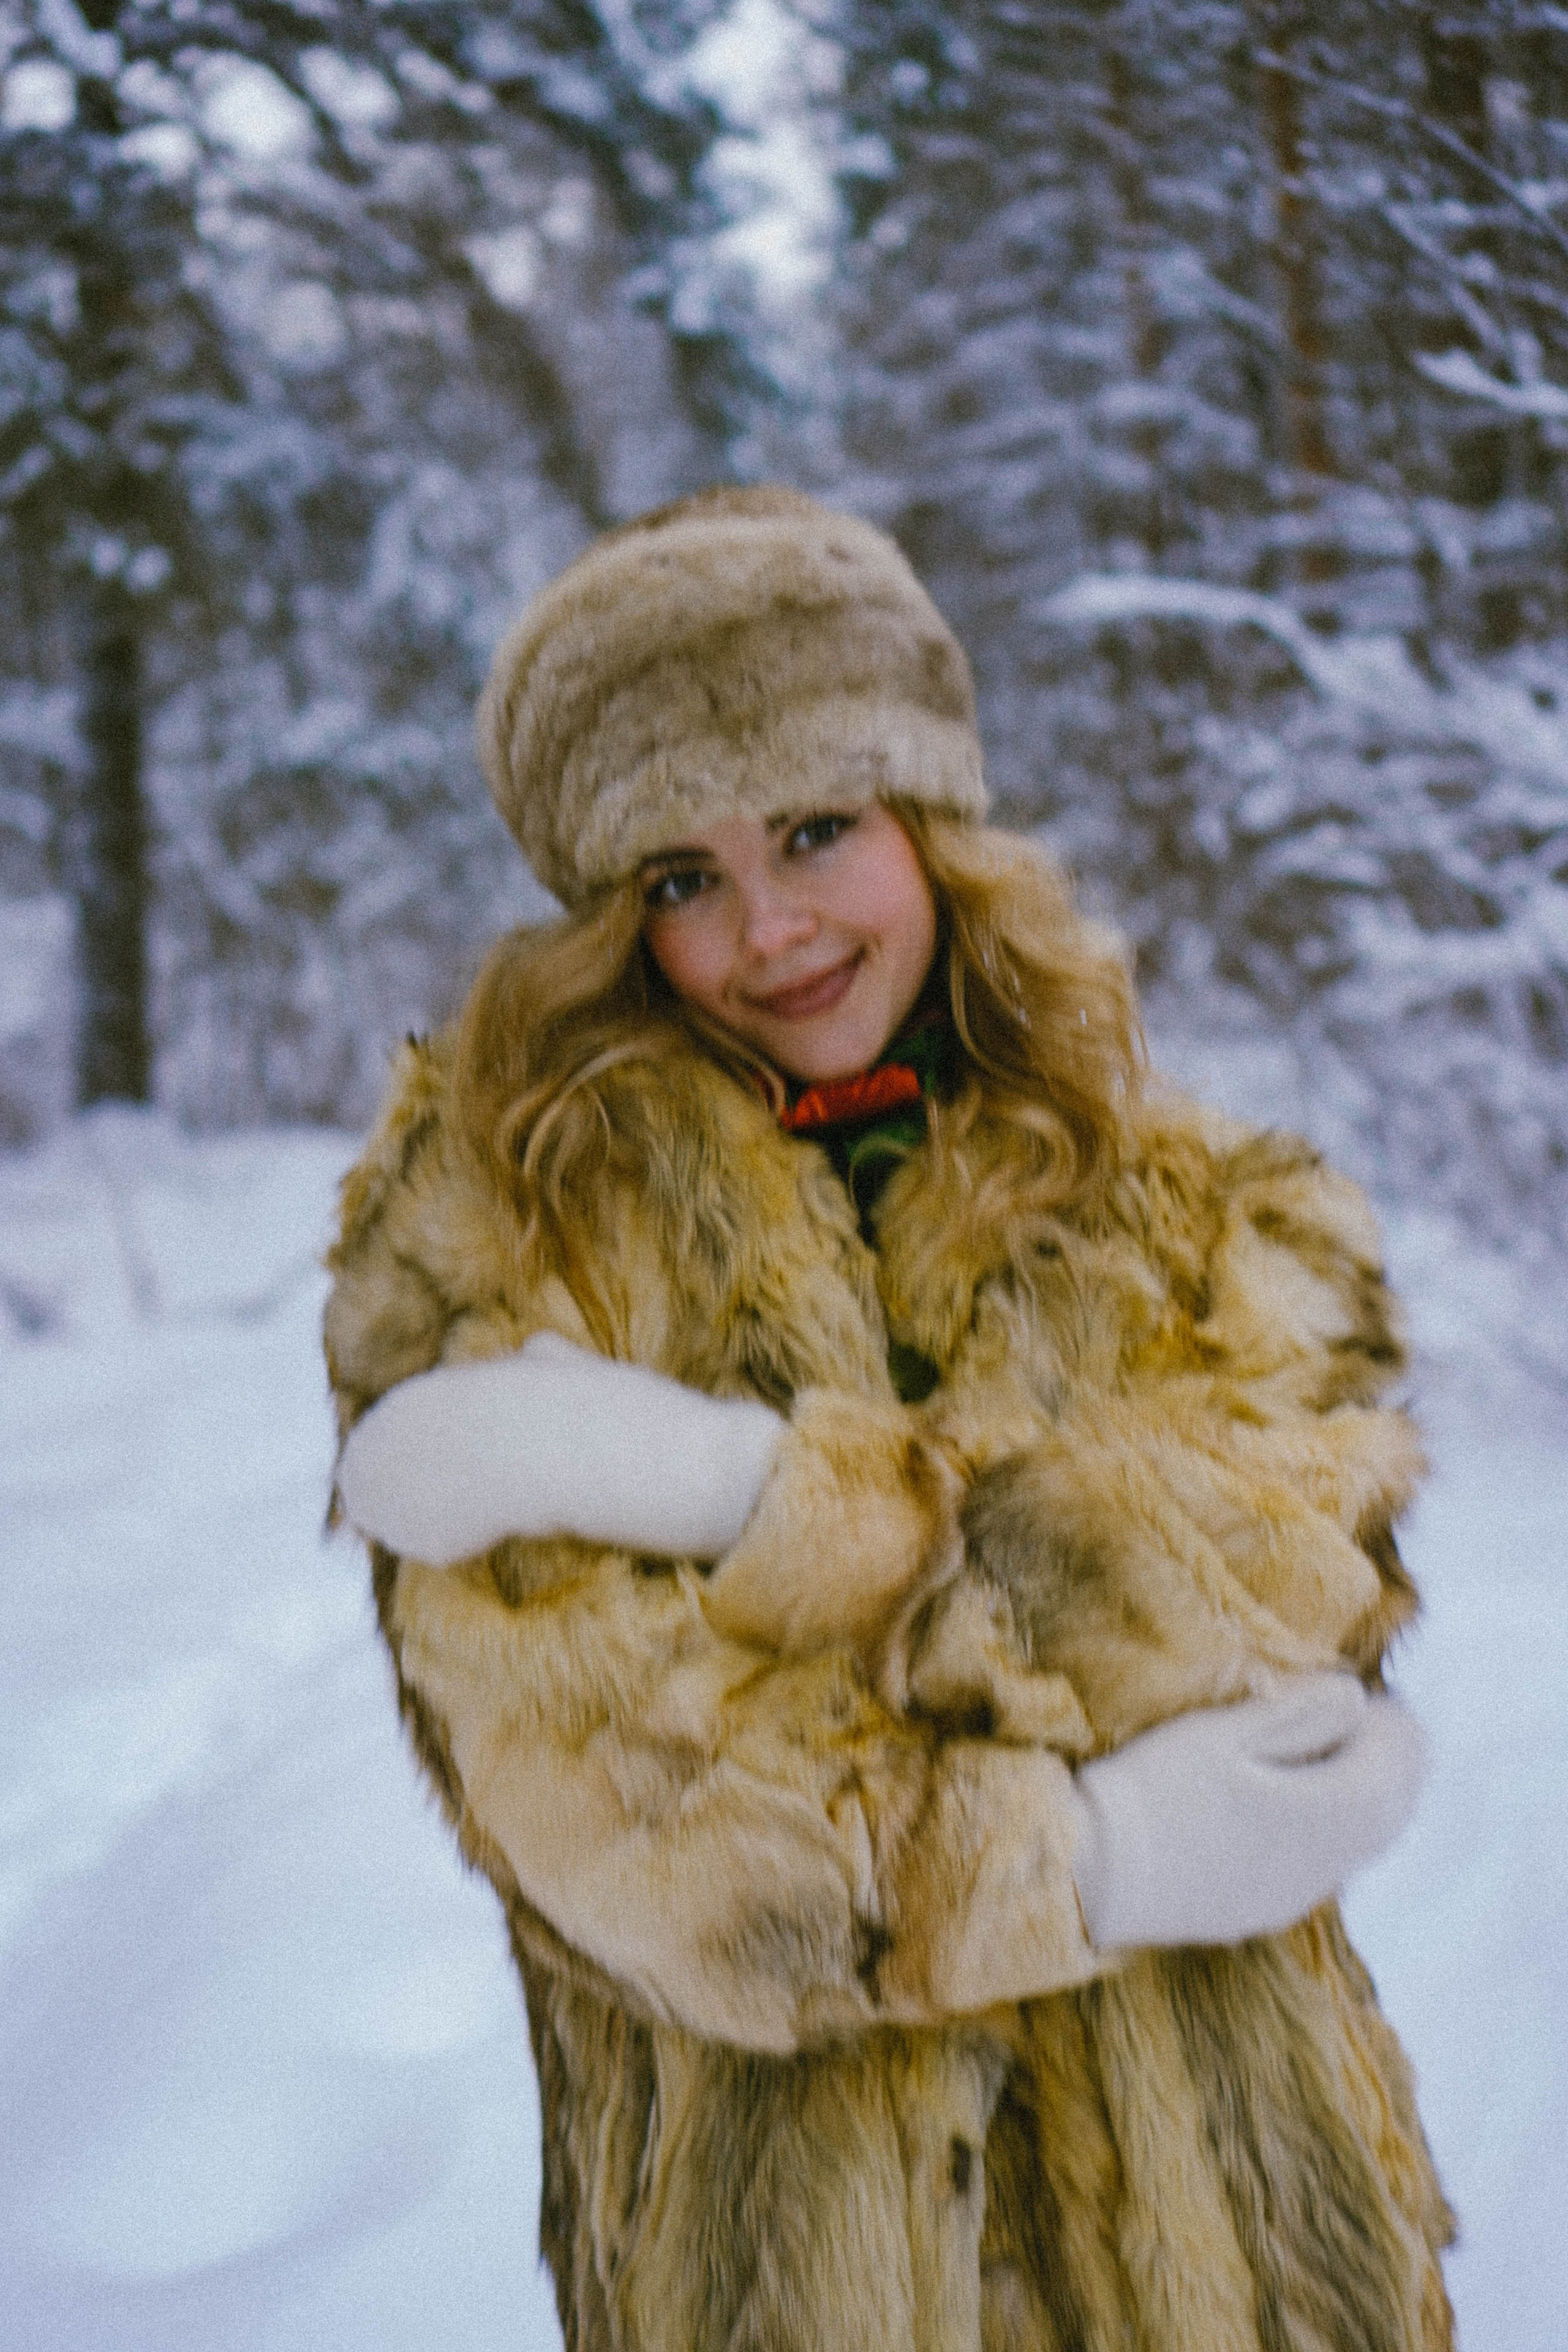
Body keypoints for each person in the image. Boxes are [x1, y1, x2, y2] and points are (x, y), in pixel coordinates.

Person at [325, 486, 1455, 2351]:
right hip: (794, 2280)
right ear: (608, 921)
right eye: (680, 878)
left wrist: (746, 1497)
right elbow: (656, 1834)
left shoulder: (1198, 1202)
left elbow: (1283, 1617)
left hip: (1248, 2259)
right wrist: (1106, 1858)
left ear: (925, 818)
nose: (767, 928)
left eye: (814, 830)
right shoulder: (502, 1247)